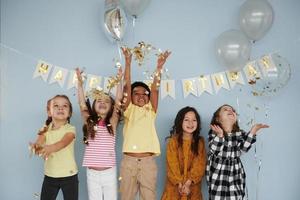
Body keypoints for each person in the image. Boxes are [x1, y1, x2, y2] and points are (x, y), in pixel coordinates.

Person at [119, 47, 171, 200]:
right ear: (131, 96)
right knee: (127, 196)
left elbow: (154, 89)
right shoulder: (129, 110)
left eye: (144, 94)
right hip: (129, 162)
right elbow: (127, 86)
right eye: (137, 93)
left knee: (148, 197)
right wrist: (128, 63)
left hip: (148, 163)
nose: (141, 96)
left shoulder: (151, 110)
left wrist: (159, 68)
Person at [76, 67, 123, 200]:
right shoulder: (88, 121)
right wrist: (80, 84)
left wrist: (119, 81)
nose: (103, 102)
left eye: (107, 101)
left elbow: (119, 100)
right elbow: (81, 103)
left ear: (111, 108)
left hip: (109, 172)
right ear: (94, 105)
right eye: (99, 100)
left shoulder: (113, 122)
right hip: (92, 174)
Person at [206, 104, 269, 200]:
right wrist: (220, 135)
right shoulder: (214, 132)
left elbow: (242, 150)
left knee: (236, 197)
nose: (230, 110)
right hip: (218, 180)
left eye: (232, 110)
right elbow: (215, 150)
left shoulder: (239, 133)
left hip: (235, 177)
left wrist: (252, 132)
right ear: (218, 119)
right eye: (226, 109)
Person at [30, 94, 78, 200]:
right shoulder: (45, 128)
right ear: (49, 112)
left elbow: (63, 143)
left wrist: (50, 148)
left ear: (69, 113)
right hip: (50, 174)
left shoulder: (70, 129)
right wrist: (36, 147)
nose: (60, 108)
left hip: (69, 175)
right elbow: (39, 142)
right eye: (56, 105)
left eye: (65, 106)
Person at [161, 106, 207, 200]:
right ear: (180, 121)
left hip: (192, 187)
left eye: (194, 120)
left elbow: (200, 165)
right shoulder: (173, 142)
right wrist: (180, 184)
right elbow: (172, 165)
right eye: (186, 120)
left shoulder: (199, 142)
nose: (190, 123)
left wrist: (188, 183)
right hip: (175, 187)